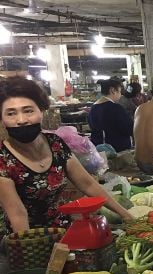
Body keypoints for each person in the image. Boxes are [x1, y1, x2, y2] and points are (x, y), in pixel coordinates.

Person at [0, 77, 133, 237]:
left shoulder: (55, 144)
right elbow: (17, 213)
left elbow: (88, 185)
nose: (21, 120)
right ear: (2, 119)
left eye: (28, 111)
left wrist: (126, 215)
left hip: (65, 232)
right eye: (11, 113)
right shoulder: (3, 159)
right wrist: (31, 253)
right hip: (27, 240)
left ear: (41, 111)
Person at [88, 78, 133, 152]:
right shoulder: (116, 108)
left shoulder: (93, 108)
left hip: (99, 152)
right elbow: (129, 129)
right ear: (112, 90)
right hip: (117, 152)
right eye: (120, 91)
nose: (121, 94)